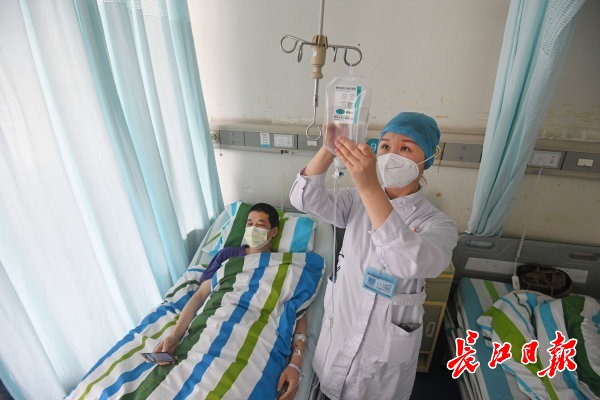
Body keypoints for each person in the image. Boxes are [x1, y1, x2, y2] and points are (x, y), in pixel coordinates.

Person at [289, 112, 458, 400]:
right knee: (328, 388)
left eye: (406, 148)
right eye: (386, 146)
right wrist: (329, 148)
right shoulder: (356, 200)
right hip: (340, 331)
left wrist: (369, 186)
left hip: (381, 363)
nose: (392, 155)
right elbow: (304, 198)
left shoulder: (438, 225)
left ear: (427, 159)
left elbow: (409, 261)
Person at [154, 202, 307, 400]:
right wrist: (175, 336)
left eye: (260, 225)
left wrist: (295, 363)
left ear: (274, 231)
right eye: (249, 224)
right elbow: (201, 295)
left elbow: (299, 312)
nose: (253, 229)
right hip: (218, 320)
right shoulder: (227, 255)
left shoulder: (286, 266)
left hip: (258, 330)